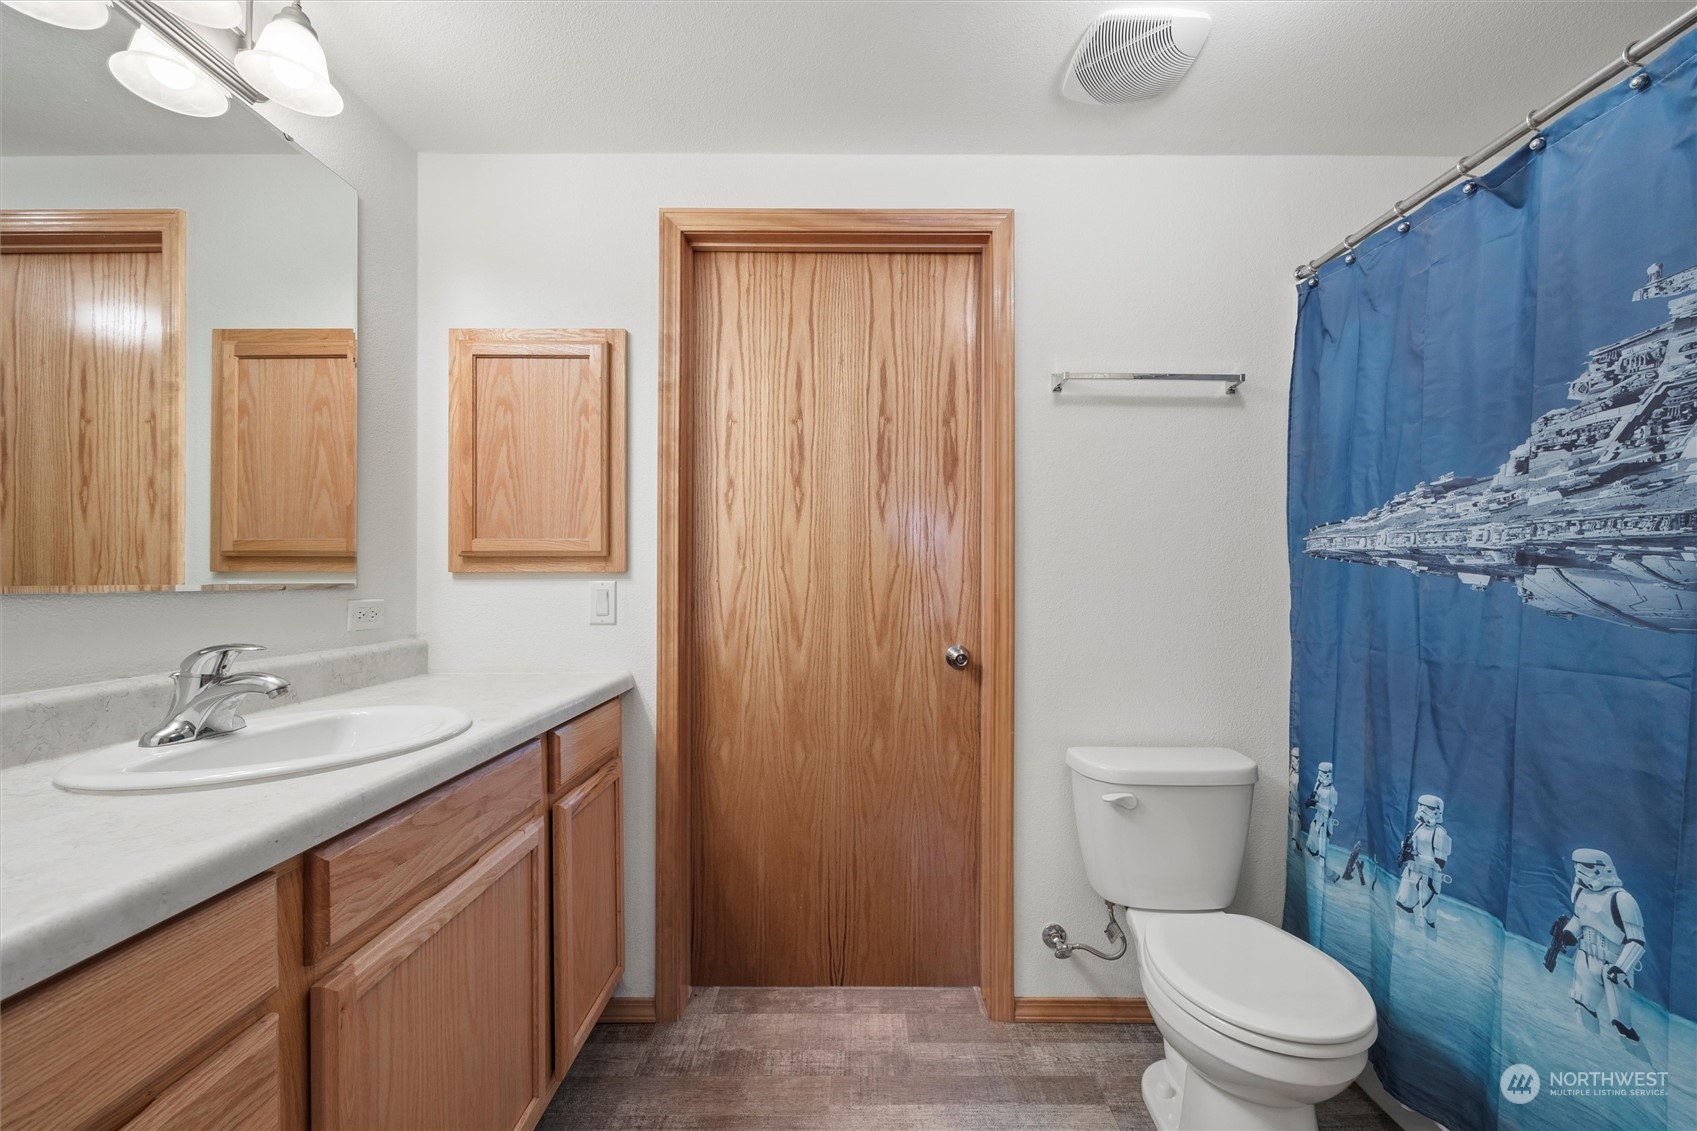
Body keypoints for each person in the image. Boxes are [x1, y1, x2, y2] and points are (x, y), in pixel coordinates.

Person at [1394, 794, 1451, 932]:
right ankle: (1406, 939)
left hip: (1429, 878)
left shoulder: (1439, 834)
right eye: (1420, 805)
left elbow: (1440, 863)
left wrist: (1414, 858)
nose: (1422, 809)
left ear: (1437, 811)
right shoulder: (1419, 826)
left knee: (1427, 918)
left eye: (1428, 807)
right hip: (1411, 873)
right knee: (1402, 905)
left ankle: (1425, 946)